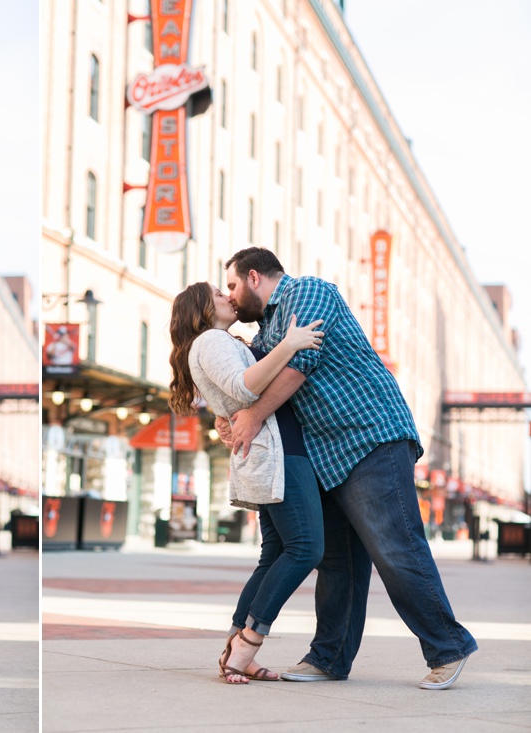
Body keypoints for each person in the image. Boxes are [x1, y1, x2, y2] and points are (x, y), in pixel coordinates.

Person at [219, 247, 477, 689]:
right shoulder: (265, 335)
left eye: (232, 285)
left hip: (371, 437)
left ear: (255, 276)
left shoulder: (309, 292)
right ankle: (329, 658)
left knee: (396, 549)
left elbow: (300, 365)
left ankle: (448, 648)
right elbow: (250, 379)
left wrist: (254, 414)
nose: (231, 295)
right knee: (339, 562)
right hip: (326, 456)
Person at [169, 282, 325, 684]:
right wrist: (290, 344)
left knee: (276, 551)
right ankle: (248, 642)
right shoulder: (209, 340)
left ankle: (236, 644)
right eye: (221, 294)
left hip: (278, 448)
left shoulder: (218, 340)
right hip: (278, 453)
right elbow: (241, 386)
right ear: (203, 308)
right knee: (305, 547)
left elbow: (235, 395)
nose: (229, 297)